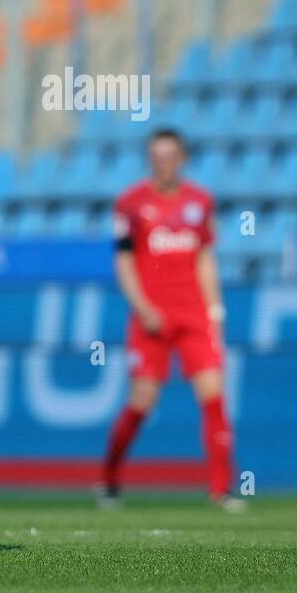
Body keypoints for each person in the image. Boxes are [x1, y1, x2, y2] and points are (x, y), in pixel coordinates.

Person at [101, 127, 242, 511]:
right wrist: (142, 306)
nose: (163, 163)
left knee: (213, 396)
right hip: (151, 317)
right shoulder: (130, 204)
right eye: (156, 157)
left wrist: (215, 310)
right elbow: (124, 260)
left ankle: (221, 488)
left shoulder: (200, 202)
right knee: (142, 401)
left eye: (170, 156)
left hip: (195, 314)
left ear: (182, 159)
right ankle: (110, 477)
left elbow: (204, 259)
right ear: (150, 160)